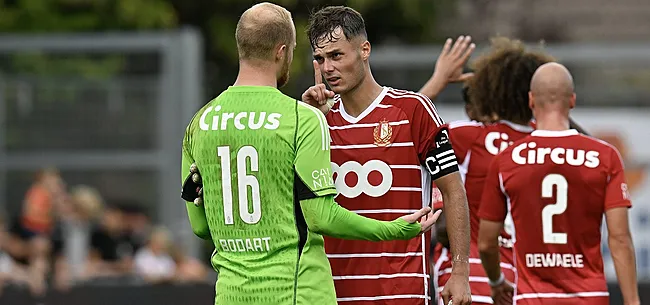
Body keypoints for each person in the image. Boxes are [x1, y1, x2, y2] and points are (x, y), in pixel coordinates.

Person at [180, 3, 440, 305]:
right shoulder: (300, 118)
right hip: (297, 291)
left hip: (231, 294)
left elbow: (200, 226)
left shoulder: (200, 122)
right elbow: (320, 216)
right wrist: (393, 229)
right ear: (282, 51)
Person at [302, 6, 472, 305]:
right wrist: (310, 121)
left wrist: (459, 271)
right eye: (320, 58)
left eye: (336, 55)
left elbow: (453, 190)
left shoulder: (413, 110)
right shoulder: (314, 121)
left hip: (400, 291)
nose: (327, 67)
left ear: (364, 50)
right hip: (330, 291)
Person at [477, 63, 640, 305]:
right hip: (589, 297)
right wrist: (632, 301)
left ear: (531, 100)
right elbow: (619, 239)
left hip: (532, 298)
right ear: (572, 100)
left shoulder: (507, 159)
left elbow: (486, 242)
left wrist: (496, 281)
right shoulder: (605, 156)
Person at [420, 37, 555, 304]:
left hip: (472, 279)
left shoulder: (471, 136)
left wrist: (438, 80)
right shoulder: (551, 145)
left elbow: (403, 128)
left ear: (489, 92)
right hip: (530, 284)